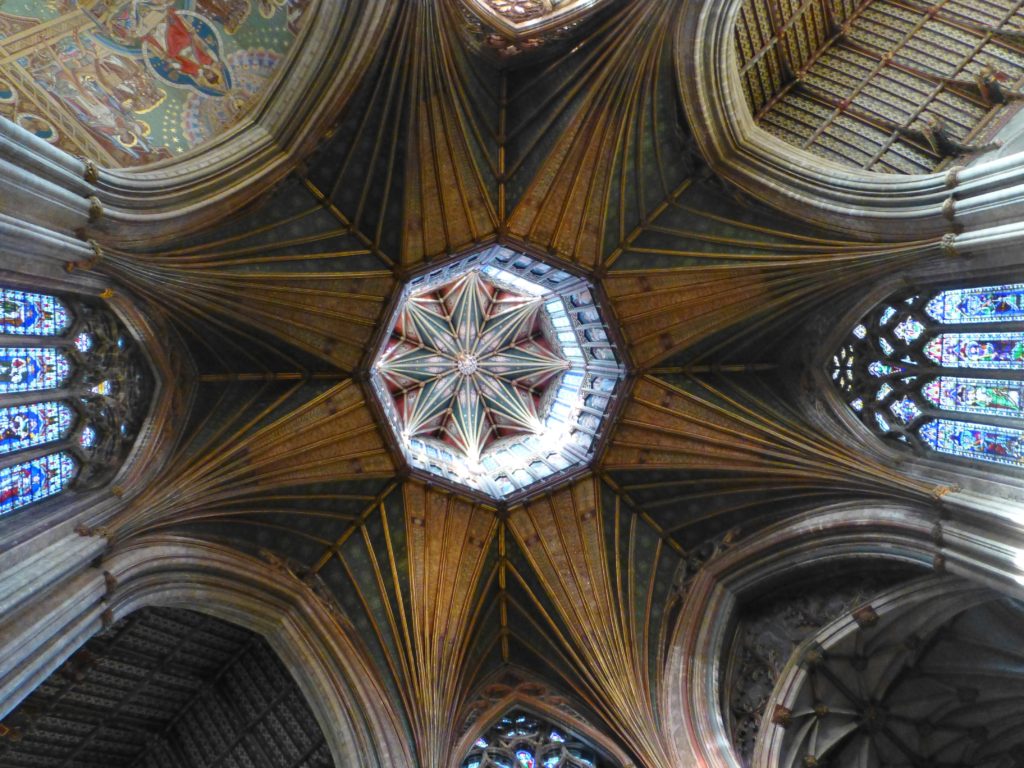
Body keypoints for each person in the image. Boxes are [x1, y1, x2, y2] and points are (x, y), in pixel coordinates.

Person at [893, 114, 1002, 158]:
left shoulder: (939, 129)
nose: (937, 126)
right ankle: (988, 147)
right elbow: (914, 134)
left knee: (963, 147)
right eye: (933, 125)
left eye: (936, 124)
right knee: (965, 148)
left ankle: (987, 147)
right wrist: (899, 128)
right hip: (948, 149)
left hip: (951, 144)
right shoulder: (932, 133)